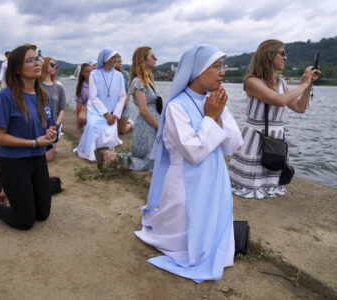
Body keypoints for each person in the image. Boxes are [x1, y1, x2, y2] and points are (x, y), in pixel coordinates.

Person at [134, 45, 243, 283]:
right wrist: (210, 116)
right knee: (185, 229)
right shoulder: (176, 107)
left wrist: (217, 115)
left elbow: (232, 145)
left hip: (216, 175)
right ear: (197, 70)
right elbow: (192, 152)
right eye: (216, 66)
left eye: (222, 66)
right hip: (185, 178)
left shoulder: (214, 100)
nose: (222, 72)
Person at [0, 45, 57, 230]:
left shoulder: (43, 96)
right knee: (25, 221)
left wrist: (51, 133)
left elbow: (49, 126)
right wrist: (34, 143)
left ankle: (5, 190)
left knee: (42, 214)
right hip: (13, 162)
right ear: (17, 69)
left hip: (37, 160)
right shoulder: (5, 96)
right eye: (30, 60)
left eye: (38, 59)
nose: (37, 63)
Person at [228, 39, 320, 199]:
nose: (285, 58)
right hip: (256, 136)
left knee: (271, 185)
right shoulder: (252, 81)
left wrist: (308, 85)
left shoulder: (282, 83)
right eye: (282, 53)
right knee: (250, 186)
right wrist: (304, 84)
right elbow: (279, 100)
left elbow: (300, 108)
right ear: (270, 55)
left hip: (275, 137)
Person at [76, 47, 126, 161]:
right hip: (96, 111)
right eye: (113, 57)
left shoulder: (119, 76)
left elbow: (122, 97)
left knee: (111, 125)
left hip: (112, 113)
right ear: (105, 59)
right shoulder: (94, 74)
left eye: (117, 57)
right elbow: (93, 97)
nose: (116, 59)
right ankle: (92, 153)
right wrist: (106, 114)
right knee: (93, 125)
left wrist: (115, 115)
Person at [127, 46, 160, 171]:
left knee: (154, 159)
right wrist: (158, 126)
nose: (156, 58)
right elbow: (144, 110)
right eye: (152, 56)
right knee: (149, 161)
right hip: (147, 124)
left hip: (152, 122)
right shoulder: (138, 81)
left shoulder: (148, 80)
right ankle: (114, 158)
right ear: (143, 60)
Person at [40, 57, 66, 162]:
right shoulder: (35, 85)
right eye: (52, 64)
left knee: (48, 158)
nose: (55, 67)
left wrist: (56, 124)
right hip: (38, 124)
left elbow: (62, 108)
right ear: (44, 65)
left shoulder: (59, 87)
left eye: (56, 66)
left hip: (53, 126)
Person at [115, 54, 132, 134]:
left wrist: (125, 101)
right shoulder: (111, 74)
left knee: (122, 131)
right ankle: (120, 122)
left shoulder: (125, 74)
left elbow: (129, 89)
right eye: (118, 62)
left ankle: (131, 123)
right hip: (114, 104)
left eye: (121, 62)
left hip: (124, 103)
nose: (120, 64)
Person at [75, 63, 91, 132]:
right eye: (87, 71)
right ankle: (89, 125)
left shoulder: (97, 83)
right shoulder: (81, 87)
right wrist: (79, 124)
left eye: (91, 71)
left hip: (97, 108)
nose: (90, 73)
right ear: (82, 73)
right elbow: (78, 106)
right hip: (86, 109)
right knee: (82, 117)